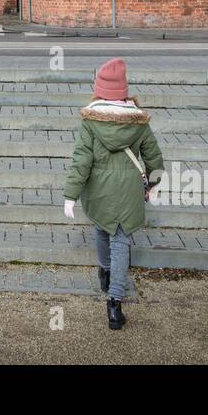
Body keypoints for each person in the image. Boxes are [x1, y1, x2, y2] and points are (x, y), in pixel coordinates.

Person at [63, 57, 163, 331]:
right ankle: (115, 306)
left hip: (100, 190)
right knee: (121, 242)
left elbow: (81, 160)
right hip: (129, 190)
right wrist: (154, 184)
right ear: (123, 90)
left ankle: (104, 271)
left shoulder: (90, 122)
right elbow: (154, 156)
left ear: (99, 89)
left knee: (101, 225)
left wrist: (70, 195)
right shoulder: (138, 121)